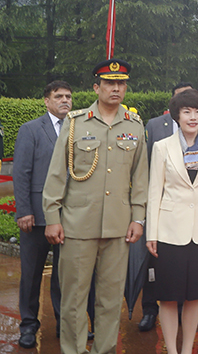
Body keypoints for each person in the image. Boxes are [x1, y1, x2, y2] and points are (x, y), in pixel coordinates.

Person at [42, 58, 147, 354]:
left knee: (110, 299)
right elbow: (56, 173)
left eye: (121, 83)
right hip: (78, 225)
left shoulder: (134, 126)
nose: (116, 88)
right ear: (96, 87)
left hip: (117, 226)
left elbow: (140, 177)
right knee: (74, 299)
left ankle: (104, 350)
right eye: (110, 83)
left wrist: (138, 218)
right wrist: (52, 216)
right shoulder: (75, 124)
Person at [147, 88, 198, 354]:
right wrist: (152, 232)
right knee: (168, 297)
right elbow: (154, 191)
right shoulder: (162, 147)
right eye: (187, 112)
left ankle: (188, 348)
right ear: (176, 116)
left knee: (196, 295)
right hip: (170, 232)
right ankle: (172, 350)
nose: (193, 117)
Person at [14, 81, 73, 348]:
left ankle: (64, 324)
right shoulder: (30, 130)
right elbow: (21, 172)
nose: (64, 100)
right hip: (35, 217)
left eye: (68, 96)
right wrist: (24, 211)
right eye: (58, 96)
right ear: (46, 101)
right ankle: (28, 326)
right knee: (31, 274)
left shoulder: (77, 129)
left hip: (70, 215)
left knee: (65, 275)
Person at [137, 80, 194, 334]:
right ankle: (150, 310)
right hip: (160, 207)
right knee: (154, 261)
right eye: (180, 98)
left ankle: (183, 309)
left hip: (188, 210)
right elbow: (147, 167)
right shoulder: (154, 126)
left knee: (184, 263)